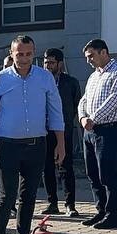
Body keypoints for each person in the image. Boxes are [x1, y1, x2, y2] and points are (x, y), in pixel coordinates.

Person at [0, 35, 66, 234]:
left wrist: (61, 143)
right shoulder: (0, 80)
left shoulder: (45, 78)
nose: (24, 58)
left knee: (28, 196)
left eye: (28, 54)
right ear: (12, 53)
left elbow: (56, 112)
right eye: (19, 54)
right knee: (6, 195)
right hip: (7, 145)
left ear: (33, 53)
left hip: (37, 145)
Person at [76, 39, 117, 230]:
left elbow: (115, 99)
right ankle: (100, 211)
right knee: (93, 173)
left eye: (91, 55)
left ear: (104, 52)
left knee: (107, 173)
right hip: (89, 131)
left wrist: (93, 118)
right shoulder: (93, 77)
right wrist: (83, 117)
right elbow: (83, 100)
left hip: (108, 129)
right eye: (87, 57)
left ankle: (113, 214)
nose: (89, 60)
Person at [40, 48, 82, 216]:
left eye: (51, 62)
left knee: (65, 167)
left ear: (60, 64)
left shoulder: (70, 82)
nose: (48, 66)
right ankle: (52, 202)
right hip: (43, 131)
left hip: (63, 131)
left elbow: (75, 105)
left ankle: (70, 204)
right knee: (47, 168)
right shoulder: (39, 81)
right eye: (45, 62)